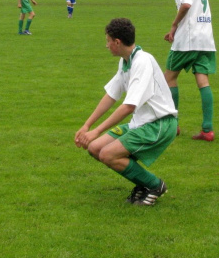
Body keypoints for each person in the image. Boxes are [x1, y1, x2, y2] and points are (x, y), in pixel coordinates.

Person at [75, 18, 178, 206]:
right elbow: (111, 95)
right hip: (140, 123)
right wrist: (87, 125)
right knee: (95, 148)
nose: (106, 45)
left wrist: (96, 131)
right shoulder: (126, 62)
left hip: (159, 124)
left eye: (108, 41)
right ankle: (142, 183)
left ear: (117, 42)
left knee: (108, 154)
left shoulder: (143, 61)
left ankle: (155, 185)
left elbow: (129, 106)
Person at [164, 0, 216, 141]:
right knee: (203, 80)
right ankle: (207, 130)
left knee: (168, 78)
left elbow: (186, 4)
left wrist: (174, 25)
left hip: (188, 38)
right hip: (205, 38)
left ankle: (173, 125)